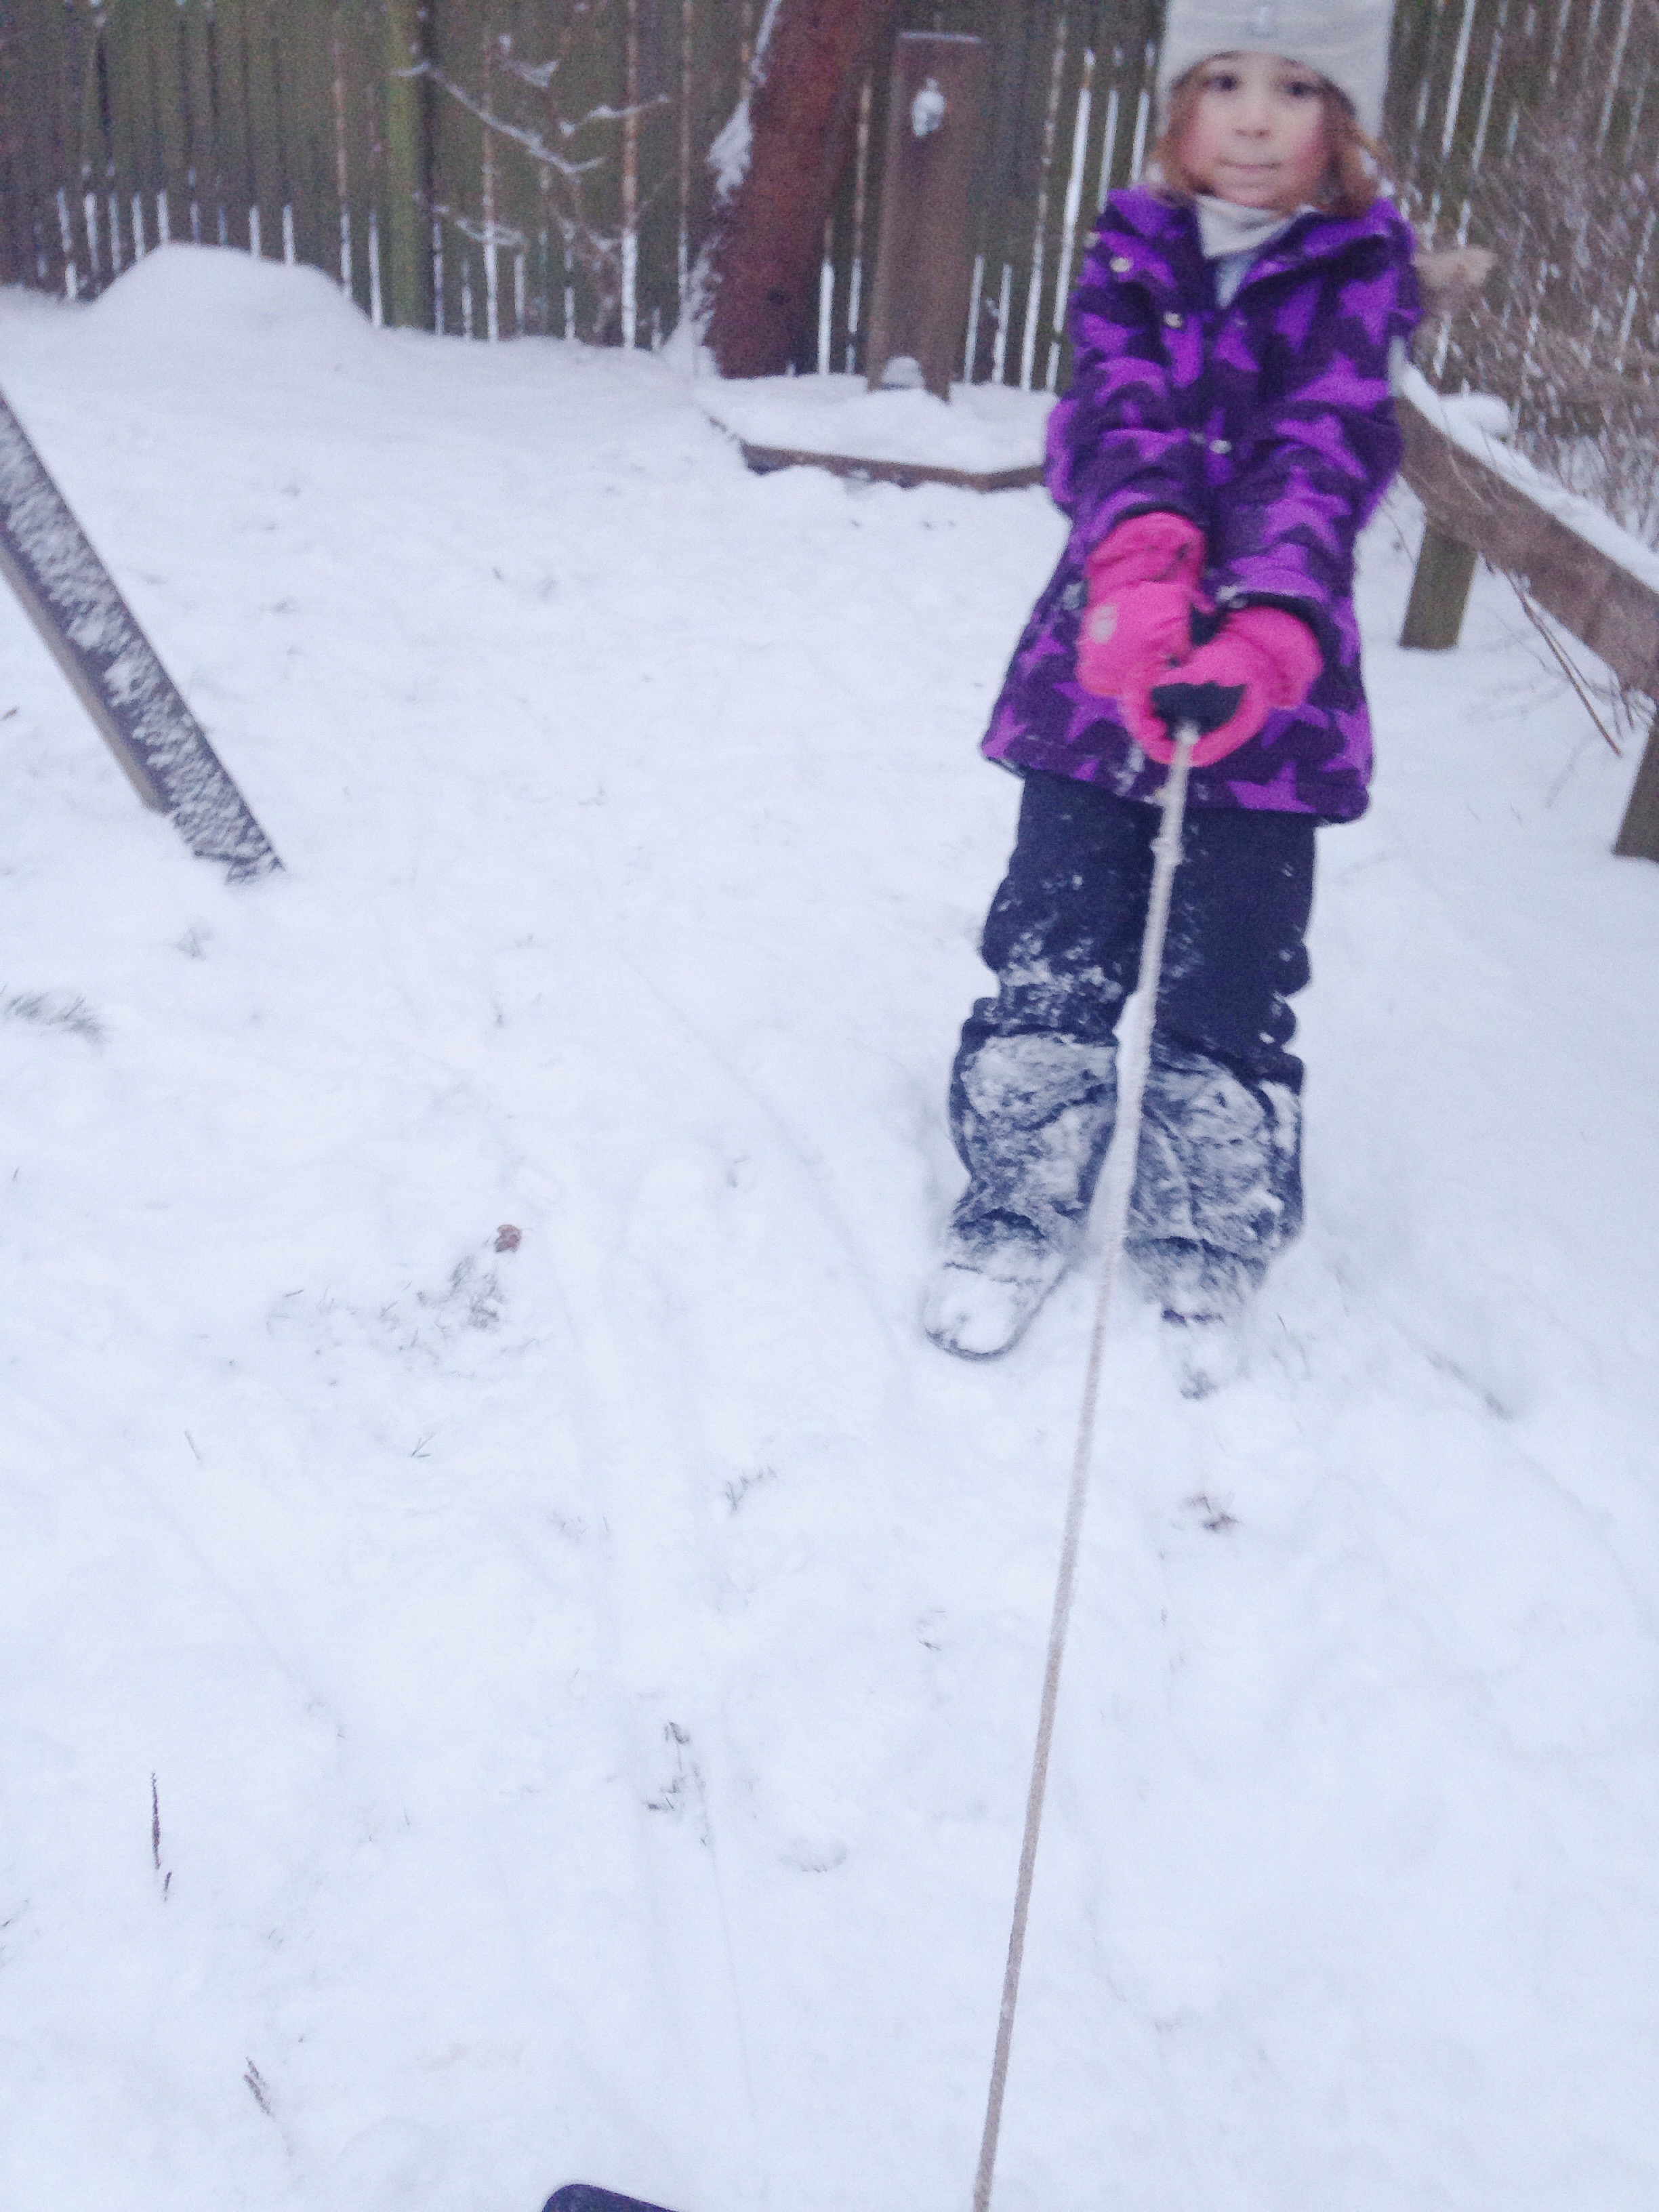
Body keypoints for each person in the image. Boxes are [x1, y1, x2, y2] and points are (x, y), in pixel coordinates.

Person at [924, 0, 1419, 1364]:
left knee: (1233, 964)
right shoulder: (1132, 253)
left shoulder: (1363, 274)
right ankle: (1018, 1196)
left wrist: (1262, 627)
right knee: (1059, 937)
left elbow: (1331, 447)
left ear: (1345, 127)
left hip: (1280, 679)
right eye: (1224, 81)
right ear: (1177, 109)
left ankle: (1204, 1221)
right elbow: (1112, 417)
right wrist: (1144, 582)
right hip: (1104, 671)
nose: (1256, 118)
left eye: (1299, 87)